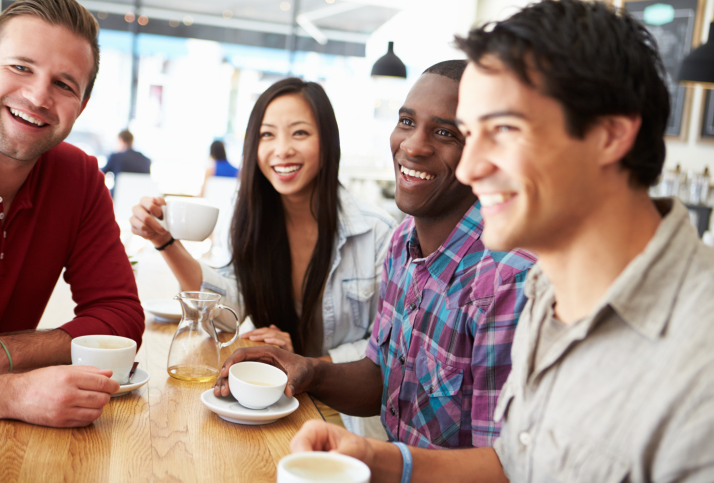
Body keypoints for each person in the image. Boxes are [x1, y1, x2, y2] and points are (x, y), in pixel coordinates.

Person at [287, 1, 714, 481]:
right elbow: (516, 461)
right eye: (472, 134)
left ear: (608, 135)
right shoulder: (549, 295)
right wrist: (377, 459)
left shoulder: (698, 362)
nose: (469, 169)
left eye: (504, 130)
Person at [216, 60, 535, 450]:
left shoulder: (508, 279)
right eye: (406, 121)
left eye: (444, 132)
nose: (413, 145)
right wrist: (307, 370)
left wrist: (375, 460)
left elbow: (505, 467)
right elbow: (385, 378)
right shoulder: (403, 243)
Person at [130, 77, 396, 437]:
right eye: (267, 135)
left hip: (347, 418)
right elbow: (229, 309)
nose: (281, 149)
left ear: (328, 142)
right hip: (274, 401)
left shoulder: (377, 233)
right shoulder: (250, 217)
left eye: (299, 133)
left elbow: (387, 350)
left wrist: (304, 364)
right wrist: (165, 242)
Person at [0, 0, 144, 428]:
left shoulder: (78, 177)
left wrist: (6, 353)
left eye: (63, 84)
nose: (38, 96)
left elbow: (122, 319)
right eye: (21, 67)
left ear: (82, 105)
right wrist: (8, 393)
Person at [101, 129, 150, 197]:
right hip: (139, 199)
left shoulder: (116, 157)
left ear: (121, 140)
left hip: (118, 198)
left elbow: (100, 174)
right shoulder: (146, 160)